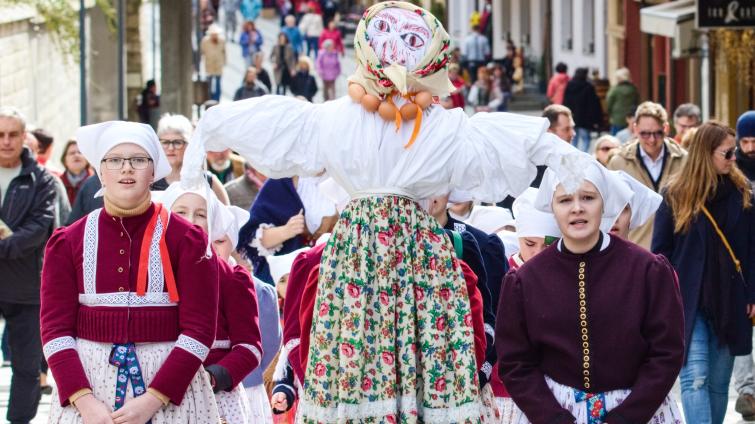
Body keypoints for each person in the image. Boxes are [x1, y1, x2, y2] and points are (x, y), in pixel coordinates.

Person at [181, 2, 588, 420]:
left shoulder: (431, 124)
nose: (396, 52)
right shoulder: (352, 120)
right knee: (376, 343)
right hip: (395, 254)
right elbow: (274, 124)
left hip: (381, 255)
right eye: (390, 39)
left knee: (389, 342)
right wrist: (209, 134)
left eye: (409, 41)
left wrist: (565, 158)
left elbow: (506, 141)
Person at [41, 121, 220, 423]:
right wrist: (84, 401)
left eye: (138, 160)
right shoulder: (67, 241)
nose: (126, 169)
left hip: (169, 393)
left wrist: (154, 399)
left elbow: (199, 330)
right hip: (89, 390)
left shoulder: (188, 240)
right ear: (100, 171)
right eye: (114, 160)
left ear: (153, 172)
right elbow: (55, 330)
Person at [498, 161, 685, 424]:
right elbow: (515, 362)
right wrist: (552, 417)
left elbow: (667, 353)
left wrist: (627, 416)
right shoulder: (526, 279)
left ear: (604, 203)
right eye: (565, 200)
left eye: (587, 197)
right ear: (552, 207)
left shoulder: (648, 270)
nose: (577, 208)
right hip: (551, 412)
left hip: (638, 410)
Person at [652, 121, 755, 424]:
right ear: (706, 153)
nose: (734, 157)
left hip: (731, 299)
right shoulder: (676, 195)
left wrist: (752, 294)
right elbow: (661, 252)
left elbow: (752, 250)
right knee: (695, 376)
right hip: (688, 299)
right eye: (727, 152)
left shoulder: (744, 194)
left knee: (719, 384)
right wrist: (663, 297)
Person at [160, 183, 263, 423]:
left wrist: (213, 377)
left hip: (213, 397)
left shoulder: (231, 277)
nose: (191, 220)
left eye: (201, 214)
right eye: (181, 212)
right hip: (158, 391)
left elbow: (249, 347)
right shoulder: (151, 275)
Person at [0, 107, 57, 424]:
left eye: (12, 134)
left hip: (27, 286)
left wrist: (6, 245)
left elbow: (39, 227)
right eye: (0, 135)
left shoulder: (41, 180)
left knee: (27, 363)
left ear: (24, 137)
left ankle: (19, 420)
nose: (6, 141)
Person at [607, 101, 687, 249]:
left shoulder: (685, 161)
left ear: (666, 128)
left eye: (657, 133)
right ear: (635, 129)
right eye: (645, 134)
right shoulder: (618, 163)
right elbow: (610, 212)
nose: (651, 140)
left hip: (676, 250)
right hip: (635, 250)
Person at [237, 176, 337, 284]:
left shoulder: (347, 177)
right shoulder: (281, 180)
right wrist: (287, 230)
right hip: (287, 280)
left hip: (334, 272)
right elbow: (250, 237)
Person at [733, 110, 755, 419]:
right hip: (739, 259)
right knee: (741, 326)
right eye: (746, 141)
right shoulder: (731, 171)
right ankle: (747, 391)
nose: (751, 148)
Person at [153, 113, 230, 204]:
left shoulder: (207, 180)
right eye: (165, 142)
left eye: (177, 142)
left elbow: (227, 215)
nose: (170, 148)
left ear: (189, 146)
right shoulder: (150, 180)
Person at [608, 170, 663, 240]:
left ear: (633, 212)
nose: (614, 219)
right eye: (606, 209)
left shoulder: (639, 251)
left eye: (622, 209)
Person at [563, 67, 604, 153]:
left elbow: (565, 102)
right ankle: (583, 156)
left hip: (572, 117)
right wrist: (597, 120)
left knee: (573, 139)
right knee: (586, 139)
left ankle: (574, 156)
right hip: (585, 119)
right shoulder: (589, 87)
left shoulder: (569, 85)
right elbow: (593, 105)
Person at [605, 67, 639, 135]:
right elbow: (637, 102)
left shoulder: (615, 90)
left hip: (617, 119)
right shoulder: (633, 89)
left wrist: (609, 113)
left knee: (615, 140)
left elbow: (608, 103)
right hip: (630, 118)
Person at [59, 138, 93, 205]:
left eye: (80, 152)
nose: (76, 155)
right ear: (65, 160)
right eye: (72, 153)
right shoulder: (58, 183)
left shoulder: (97, 182)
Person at [201, 24, 227, 102]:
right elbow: (203, 52)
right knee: (209, 83)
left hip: (218, 65)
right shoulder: (205, 41)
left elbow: (224, 52)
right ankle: (209, 98)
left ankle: (217, 99)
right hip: (209, 65)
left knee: (218, 83)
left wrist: (224, 62)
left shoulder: (222, 41)